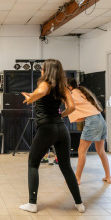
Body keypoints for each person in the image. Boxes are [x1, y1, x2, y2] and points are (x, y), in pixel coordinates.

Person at [19, 59, 85, 213]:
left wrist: (30, 98)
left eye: (42, 68)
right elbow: (72, 107)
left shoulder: (45, 83)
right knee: (66, 167)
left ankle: (32, 204)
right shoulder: (62, 87)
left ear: (46, 70)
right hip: (61, 129)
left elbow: (41, 91)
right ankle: (79, 204)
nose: (41, 70)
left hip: (46, 129)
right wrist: (61, 115)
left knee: (33, 163)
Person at [67, 78, 109, 184]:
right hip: (100, 119)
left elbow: (71, 108)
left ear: (69, 87)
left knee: (81, 151)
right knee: (101, 151)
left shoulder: (73, 94)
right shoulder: (80, 92)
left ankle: (77, 179)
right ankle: (108, 177)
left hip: (93, 121)